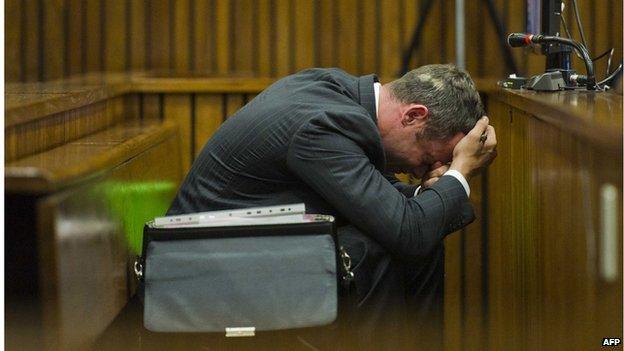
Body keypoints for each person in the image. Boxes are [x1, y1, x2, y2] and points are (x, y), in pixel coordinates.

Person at [167, 64, 497, 350]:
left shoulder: (340, 96)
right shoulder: (325, 124)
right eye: (427, 159)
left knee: (416, 240)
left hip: (246, 254)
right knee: (382, 247)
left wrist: (430, 193)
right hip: (205, 275)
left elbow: (384, 201)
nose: (421, 171)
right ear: (413, 115)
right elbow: (406, 231)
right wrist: (461, 171)